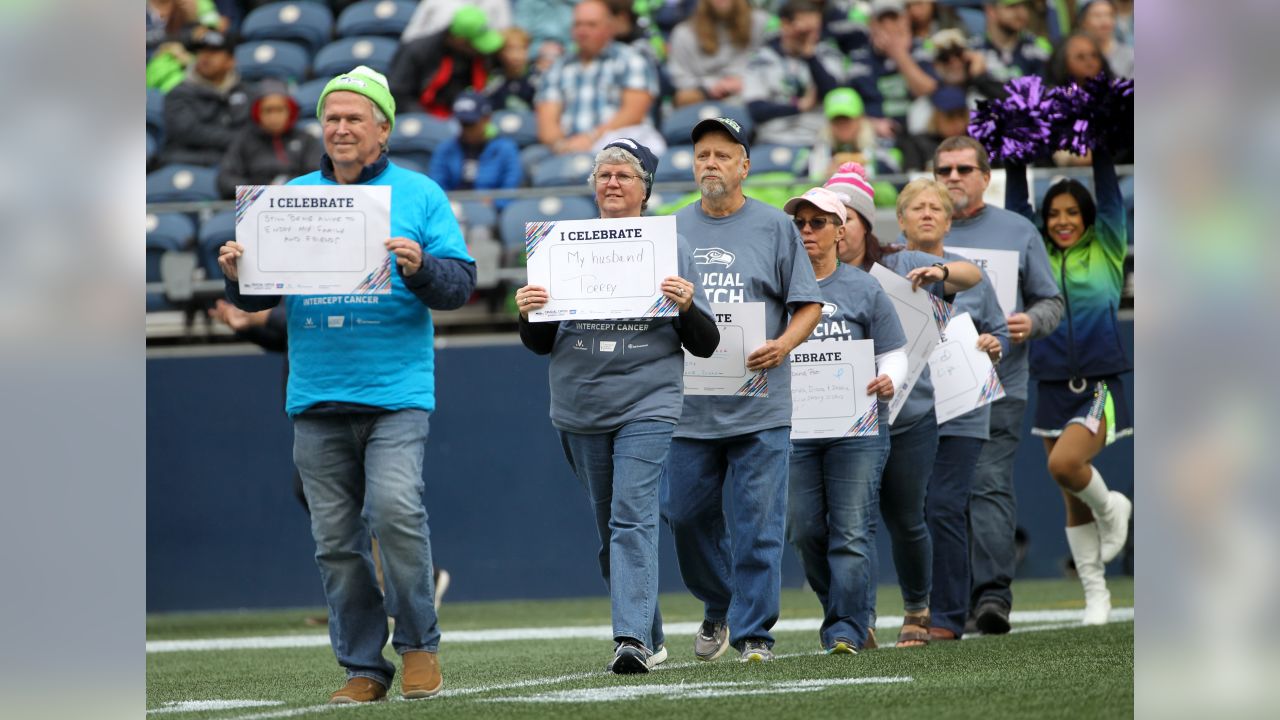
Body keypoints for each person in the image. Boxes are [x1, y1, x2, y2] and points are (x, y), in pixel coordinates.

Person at [216, 66, 476, 704]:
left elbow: (461, 285)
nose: (340, 128)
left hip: (396, 394)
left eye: (354, 117)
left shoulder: (419, 194)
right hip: (316, 394)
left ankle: (418, 648)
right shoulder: (291, 195)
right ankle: (364, 667)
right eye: (331, 118)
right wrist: (235, 274)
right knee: (335, 545)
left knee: (396, 516)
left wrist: (420, 267)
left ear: (382, 128)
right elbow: (259, 290)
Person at [515, 139, 720, 673]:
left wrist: (686, 306)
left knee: (632, 518)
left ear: (645, 189)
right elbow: (539, 344)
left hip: (647, 400)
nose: (611, 183)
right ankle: (648, 632)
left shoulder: (671, 247)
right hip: (580, 403)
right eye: (603, 174)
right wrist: (529, 312)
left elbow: (706, 342)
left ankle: (629, 639)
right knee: (610, 529)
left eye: (624, 176)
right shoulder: (562, 244)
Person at [661, 117, 824, 664]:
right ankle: (718, 603)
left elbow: (809, 304)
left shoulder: (776, 227)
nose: (710, 164)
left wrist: (783, 345)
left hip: (761, 404)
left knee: (759, 527)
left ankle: (756, 632)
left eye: (722, 155)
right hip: (689, 408)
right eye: (702, 154)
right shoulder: (671, 228)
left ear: (744, 165)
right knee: (683, 517)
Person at [837, 172, 982, 649]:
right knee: (853, 522)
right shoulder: (809, 268)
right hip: (844, 417)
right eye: (824, 220)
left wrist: (940, 272)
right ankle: (860, 620)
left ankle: (918, 607)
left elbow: (971, 275)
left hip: (909, 413)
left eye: (846, 219)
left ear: (865, 223)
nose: (835, 229)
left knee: (905, 518)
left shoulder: (901, 260)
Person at [929, 135, 1063, 635]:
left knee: (987, 485)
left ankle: (992, 596)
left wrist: (1031, 321)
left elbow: (1052, 302)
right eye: (944, 171)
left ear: (987, 177)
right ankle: (954, 599)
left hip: (1001, 384)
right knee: (943, 497)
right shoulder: (922, 229)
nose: (954, 179)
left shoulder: (1017, 230)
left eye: (964, 169)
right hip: (932, 393)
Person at [1006, 143, 1133, 625]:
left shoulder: (1107, 248)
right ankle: (1096, 595)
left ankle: (1114, 506)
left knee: (1066, 464)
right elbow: (1019, 211)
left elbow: (1111, 196)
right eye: (1054, 213)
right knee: (1067, 494)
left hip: (1099, 383)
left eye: (1072, 212)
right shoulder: (1035, 254)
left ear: (1087, 216)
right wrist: (1015, 153)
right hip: (1052, 383)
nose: (1062, 220)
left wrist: (1102, 144)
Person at [782, 186, 908, 654]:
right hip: (796, 426)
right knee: (804, 528)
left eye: (818, 223)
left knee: (852, 529)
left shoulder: (864, 285)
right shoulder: (779, 285)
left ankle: (847, 628)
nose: (807, 231)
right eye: (799, 224)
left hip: (858, 426)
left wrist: (889, 377)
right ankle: (843, 612)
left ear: (840, 231)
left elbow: (894, 349)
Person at [892, 180, 1010, 643]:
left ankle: (948, 613)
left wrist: (992, 343)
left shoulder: (970, 274)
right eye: (916, 208)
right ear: (900, 220)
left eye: (935, 207)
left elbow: (998, 330)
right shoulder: (886, 270)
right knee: (915, 511)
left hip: (963, 409)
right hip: (909, 411)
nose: (926, 214)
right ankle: (921, 608)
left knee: (944, 505)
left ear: (948, 218)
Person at [535, 0, 661, 154]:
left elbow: (633, 113)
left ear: (609, 28)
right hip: (567, 149)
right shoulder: (557, 67)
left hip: (621, 145)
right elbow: (547, 123)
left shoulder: (631, 59)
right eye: (578, 25)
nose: (583, 31)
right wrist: (562, 145)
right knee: (531, 158)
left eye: (591, 25)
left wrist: (591, 138)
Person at [741, 0, 845, 147]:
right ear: (785, 25)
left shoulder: (827, 54)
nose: (811, 36)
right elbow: (756, 110)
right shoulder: (762, 59)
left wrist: (810, 57)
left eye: (815, 29)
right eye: (804, 30)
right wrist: (799, 106)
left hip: (816, 138)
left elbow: (834, 97)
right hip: (773, 138)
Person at [846, 0, 939, 143]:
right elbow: (845, 106)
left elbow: (928, 90)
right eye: (882, 20)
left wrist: (898, 54)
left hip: (919, 135)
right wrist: (872, 124)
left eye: (894, 18)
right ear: (871, 24)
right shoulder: (859, 58)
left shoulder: (921, 50)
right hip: (874, 137)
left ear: (906, 20)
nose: (888, 26)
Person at [387, 5, 503, 118]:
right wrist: (433, 122)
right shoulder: (416, 50)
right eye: (474, 44)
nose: (480, 50)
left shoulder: (479, 55)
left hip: (469, 118)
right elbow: (398, 94)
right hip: (424, 119)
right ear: (460, 41)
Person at [217, 79, 323, 198]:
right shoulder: (244, 141)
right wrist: (261, 191)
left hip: (298, 205)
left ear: (290, 112)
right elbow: (225, 181)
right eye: (268, 110)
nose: (274, 117)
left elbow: (317, 178)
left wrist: (288, 188)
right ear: (258, 113)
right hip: (253, 206)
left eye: (279, 110)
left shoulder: (307, 140)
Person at [161, 28, 251, 166]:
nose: (205, 57)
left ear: (231, 61)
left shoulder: (247, 92)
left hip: (235, 165)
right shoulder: (178, 92)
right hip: (187, 162)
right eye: (202, 51)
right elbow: (188, 132)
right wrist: (236, 139)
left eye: (214, 52)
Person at [666, 0, 771, 107]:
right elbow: (679, 77)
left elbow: (773, 62)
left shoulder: (760, 22)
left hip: (751, 92)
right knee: (684, 97)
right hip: (706, 98)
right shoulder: (684, 33)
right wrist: (712, 85)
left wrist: (745, 81)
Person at [427, 91, 523, 208]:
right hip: (454, 213)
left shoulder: (505, 149)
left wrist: (493, 204)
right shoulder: (445, 150)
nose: (466, 129)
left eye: (470, 123)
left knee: (535, 225)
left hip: (496, 216)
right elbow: (437, 189)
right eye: (462, 123)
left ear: (486, 119)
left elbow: (511, 191)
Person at [976, 0, 1051, 82]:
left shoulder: (1040, 49)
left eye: (1025, 6)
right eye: (1012, 7)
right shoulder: (974, 50)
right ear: (991, 11)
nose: (1022, 13)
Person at [486, 26, 538, 112]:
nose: (516, 56)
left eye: (522, 48)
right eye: (510, 49)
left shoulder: (538, 79)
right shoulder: (494, 79)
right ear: (500, 53)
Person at [1076, 0, 1132, 77]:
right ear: (1083, 22)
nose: (1105, 22)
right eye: (1097, 15)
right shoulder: (1073, 56)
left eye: (1110, 15)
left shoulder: (1130, 57)